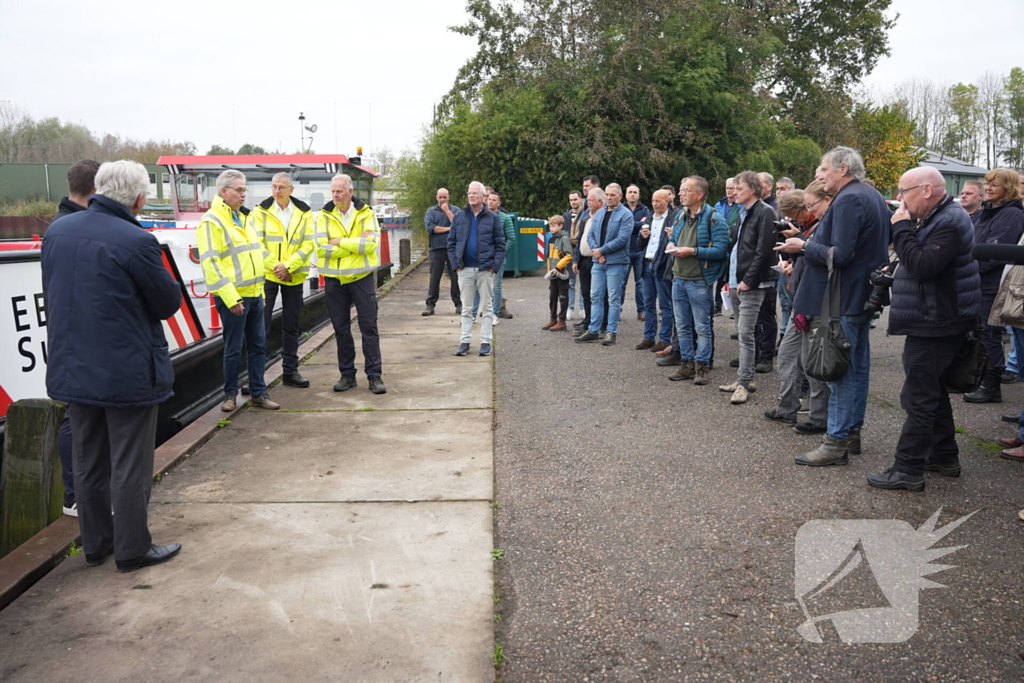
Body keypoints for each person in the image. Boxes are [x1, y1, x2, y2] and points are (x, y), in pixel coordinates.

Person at [42, 160, 183, 573]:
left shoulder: (57, 232)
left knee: (88, 460)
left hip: (73, 368)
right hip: (127, 371)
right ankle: (133, 548)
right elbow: (166, 303)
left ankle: (95, 544)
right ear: (139, 198)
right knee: (130, 463)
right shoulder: (136, 240)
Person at [866, 167, 980, 490]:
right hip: (936, 318)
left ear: (926, 190)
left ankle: (907, 469)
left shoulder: (950, 221)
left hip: (937, 321)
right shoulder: (940, 217)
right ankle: (944, 456)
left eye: (904, 191)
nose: (899, 198)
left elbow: (923, 266)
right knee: (933, 389)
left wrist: (901, 229)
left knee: (918, 396)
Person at [781, 147, 890, 466]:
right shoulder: (870, 195)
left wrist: (804, 246)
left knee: (839, 370)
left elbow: (839, 255)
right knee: (856, 367)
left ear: (843, 169)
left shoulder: (850, 198)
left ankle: (836, 441)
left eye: (823, 169)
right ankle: (850, 433)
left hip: (842, 298)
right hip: (858, 295)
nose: (818, 174)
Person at [197, 170, 280, 412]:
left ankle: (259, 393)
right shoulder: (212, 222)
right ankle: (229, 395)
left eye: (245, 190)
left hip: (255, 294)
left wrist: (274, 267)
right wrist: (231, 297)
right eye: (239, 190)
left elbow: (256, 254)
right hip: (234, 297)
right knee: (233, 348)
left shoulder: (243, 219)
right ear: (224, 192)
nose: (244, 194)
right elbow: (211, 264)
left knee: (258, 346)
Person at [51, 158, 101, 518]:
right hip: (82, 338)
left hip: (68, 336)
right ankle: (75, 495)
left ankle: (78, 493)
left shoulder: (57, 227)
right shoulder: (75, 229)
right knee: (78, 417)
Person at [764, 184, 832, 432]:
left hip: (815, 303)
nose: (794, 220)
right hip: (801, 300)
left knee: (812, 363)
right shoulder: (810, 227)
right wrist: (795, 260)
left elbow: (829, 258)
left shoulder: (823, 225)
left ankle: (818, 417)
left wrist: (801, 242)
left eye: (797, 215)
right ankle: (787, 409)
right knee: (787, 355)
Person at [314, 174, 386, 394]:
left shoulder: (366, 213)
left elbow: (370, 245)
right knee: (341, 329)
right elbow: (319, 247)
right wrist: (354, 243)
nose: (335, 195)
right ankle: (347, 375)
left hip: (361, 278)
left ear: (350, 192)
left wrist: (338, 242)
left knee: (369, 327)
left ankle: (374, 376)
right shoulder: (323, 216)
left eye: (340, 191)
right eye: (333, 191)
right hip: (335, 281)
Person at [962, 168, 1024, 404]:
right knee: (976, 334)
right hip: (976, 282)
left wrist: (968, 269)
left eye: (994, 185)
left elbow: (994, 253)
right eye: (987, 184)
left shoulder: (1011, 215)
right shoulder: (986, 212)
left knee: (990, 335)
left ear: (1007, 188)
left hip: (992, 285)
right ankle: (975, 377)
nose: (988, 188)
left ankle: (991, 384)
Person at [247, 172, 314, 389]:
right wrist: (277, 267)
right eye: (274, 187)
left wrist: (289, 266)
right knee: (260, 326)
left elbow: (308, 244)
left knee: (291, 324)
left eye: (281, 187)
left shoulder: (304, 213)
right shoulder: (260, 212)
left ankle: (290, 372)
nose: (276, 191)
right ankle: (256, 378)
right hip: (268, 275)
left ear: (291, 190)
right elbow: (256, 243)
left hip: (293, 275)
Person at [718, 171, 777, 404]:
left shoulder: (765, 212)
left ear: (753, 190)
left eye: (739, 188)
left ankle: (743, 382)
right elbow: (736, 248)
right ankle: (745, 377)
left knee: (745, 332)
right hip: (736, 280)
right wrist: (728, 278)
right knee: (744, 332)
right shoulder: (743, 212)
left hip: (752, 283)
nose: (734, 192)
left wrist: (748, 280)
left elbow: (763, 251)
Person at [666, 176, 729, 385]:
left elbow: (721, 250)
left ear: (699, 195)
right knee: (682, 325)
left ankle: (702, 367)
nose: (681, 194)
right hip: (679, 278)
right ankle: (686, 364)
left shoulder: (715, 217)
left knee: (702, 326)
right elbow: (674, 237)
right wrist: (672, 244)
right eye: (681, 190)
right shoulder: (680, 214)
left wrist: (692, 251)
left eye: (686, 191)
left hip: (699, 281)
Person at [449, 181, 506, 356]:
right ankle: (465, 341)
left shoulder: (493, 218)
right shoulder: (459, 216)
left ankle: (485, 342)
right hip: (465, 269)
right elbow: (451, 243)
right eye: (469, 193)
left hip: (485, 270)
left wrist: (493, 267)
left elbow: (500, 245)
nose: (471, 196)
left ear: (483, 196)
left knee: (487, 307)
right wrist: (456, 266)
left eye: (475, 193)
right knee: (466, 308)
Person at [576, 183, 632, 346]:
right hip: (598, 262)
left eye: (612, 195)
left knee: (613, 297)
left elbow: (622, 239)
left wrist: (602, 251)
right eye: (607, 195)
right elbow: (591, 234)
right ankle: (593, 329)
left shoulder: (625, 215)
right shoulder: (599, 213)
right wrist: (597, 251)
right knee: (595, 296)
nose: (609, 198)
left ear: (620, 196)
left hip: (616, 262)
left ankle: (611, 331)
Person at [636, 188, 677, 351]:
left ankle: (665, 338)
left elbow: (674, 243)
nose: (654, 204)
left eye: (658, 201)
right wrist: (642, 236)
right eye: (653, 200)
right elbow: (639, 245)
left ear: (667, 201)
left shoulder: (672, 219)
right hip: (647, 263)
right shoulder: (650, 218)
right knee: (648, 303)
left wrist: (671, 237)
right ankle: (649, 336)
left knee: (665, 304)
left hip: (661, 265)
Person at [423, 188, 462, 316]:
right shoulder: (430, 211)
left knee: (456, 277)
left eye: (444, 197)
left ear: (449, 197)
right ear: (436, 198)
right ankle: (430, 304)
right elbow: (431, 228)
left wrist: (447, 211)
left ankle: (458, 303)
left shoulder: (456, 210)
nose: (442, 200)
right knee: (435, 277)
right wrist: (449, 229)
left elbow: (459, 225)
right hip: (436, 248)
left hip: (453, 249)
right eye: (440, 197)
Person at [572, 187, 604, 337]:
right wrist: (576, 260)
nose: (588, 203)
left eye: (591, 200)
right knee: (585, 292)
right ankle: (588, 321)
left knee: (597, 294)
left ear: (600, 201)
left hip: (596, 260)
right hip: (583, 259)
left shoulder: (603, 218)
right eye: (588, 200)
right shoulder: (586, 218)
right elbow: (580, 240)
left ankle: (599, 324)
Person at [487, 190, 516, 320]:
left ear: (498, 203)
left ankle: (495, 311)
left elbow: (511, 238)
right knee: (484, 285)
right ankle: (487, 309)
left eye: (494, 200)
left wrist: (502, 252)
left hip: (498, 257)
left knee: (497, 283)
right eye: (489, 199)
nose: (491, 201)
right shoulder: (482, 216)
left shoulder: (505, 218)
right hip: (484, 256)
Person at [624, 184, 651, 320]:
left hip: (640, 250)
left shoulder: (645, 209)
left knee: (640, 282)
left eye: (635, 192)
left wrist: (630, 224)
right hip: (625, 250)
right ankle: (617, 310)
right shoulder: (621, 209)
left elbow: (647, 225)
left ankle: (642, 310)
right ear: (626, 194)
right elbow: (623, 226)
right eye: (630, 192)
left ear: (638, 195)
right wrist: (637, 224)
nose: (633, 194)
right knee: (621, 282)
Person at [542, 215, 573, 331]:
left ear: (561, 226)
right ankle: (553, 318)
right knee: (552, 296)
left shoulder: (564, 238)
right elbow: (551, 256)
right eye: (550, 226)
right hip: (553, 273)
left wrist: (558, 267)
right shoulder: (552, 238)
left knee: (563, 296)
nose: (551, 228)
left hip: (561, 272)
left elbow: (569, 255)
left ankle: (562, 320)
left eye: (554, 226)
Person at [563, 190, 585, 319]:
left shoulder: (585, 215)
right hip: (569, 253)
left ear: (580, 200)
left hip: (581, 252)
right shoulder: (565, 216)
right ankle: (570, 308)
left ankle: (582, 308)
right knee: (570, 282)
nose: (573, 202)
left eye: (575, 199)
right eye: (571, 200)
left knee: (583, 282)